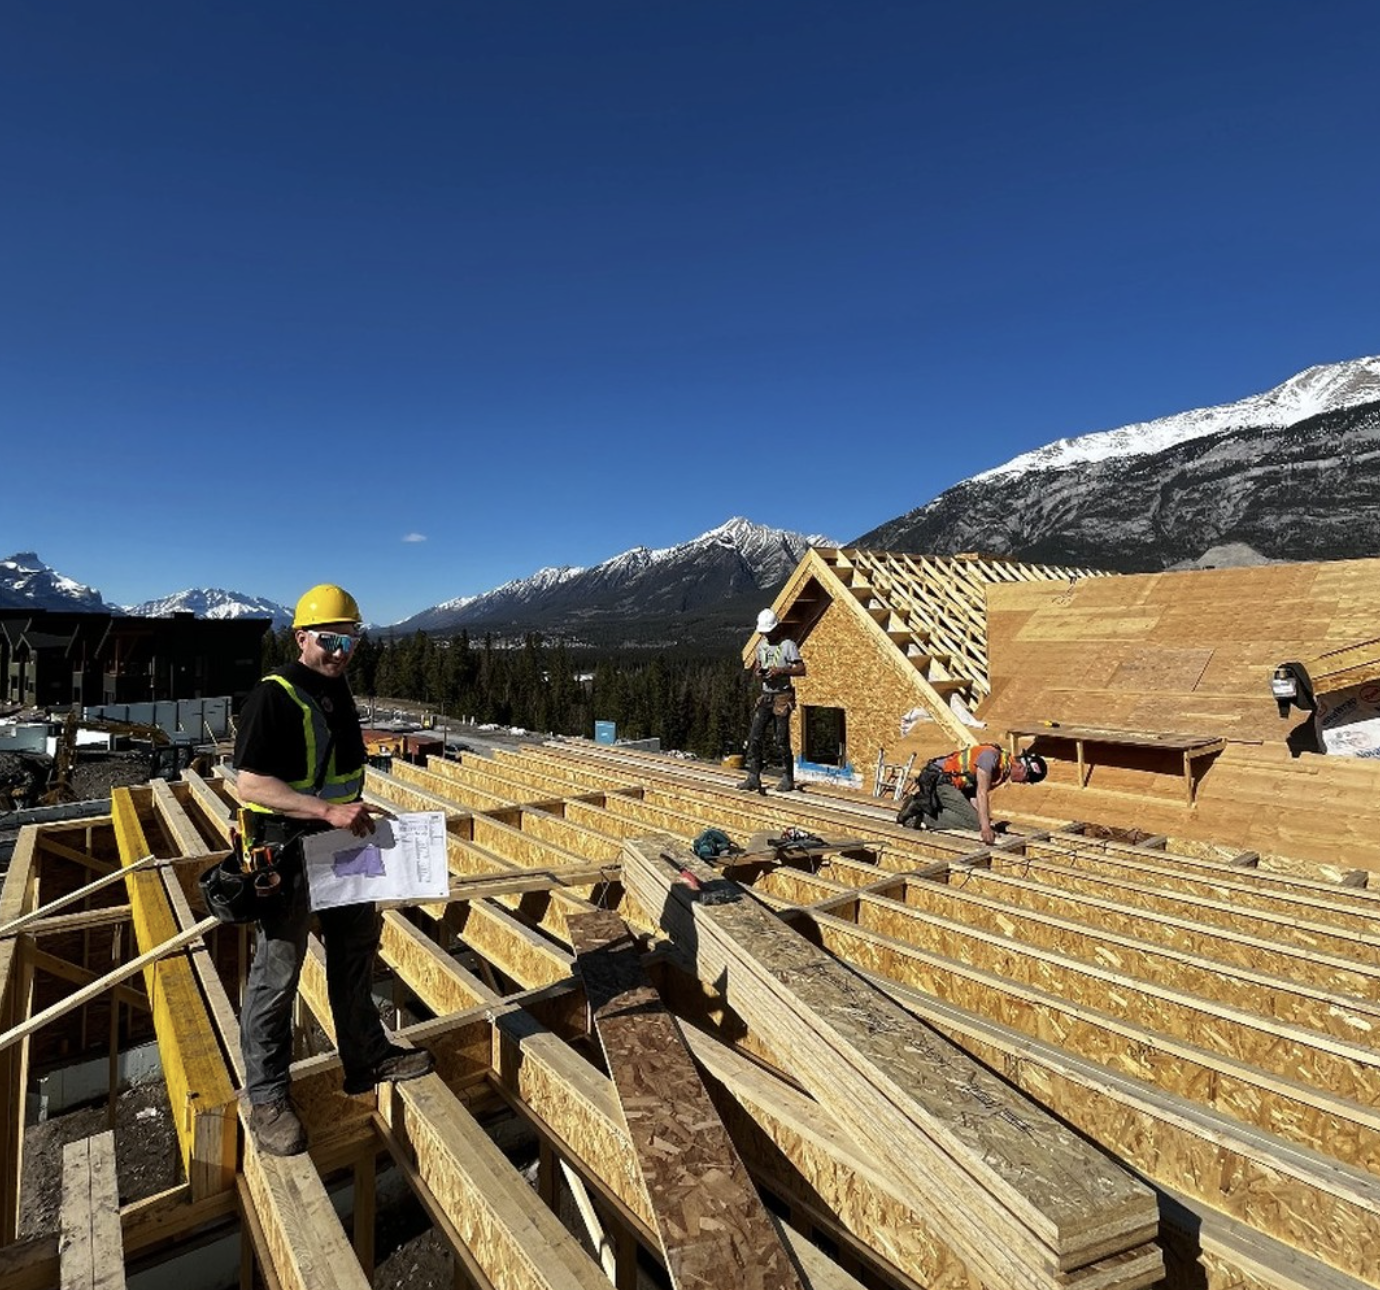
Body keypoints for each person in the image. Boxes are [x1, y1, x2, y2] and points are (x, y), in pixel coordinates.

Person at [234, 583, 433, 1156]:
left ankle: (366, 1057)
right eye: (329, 639)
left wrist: (352, 811)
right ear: (301, 637)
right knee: (278, 973)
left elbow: (335, 777)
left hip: (342, 848)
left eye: (350, 639)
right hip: (288, 852)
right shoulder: (274, 696)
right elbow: (249, 783)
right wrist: (326, 810)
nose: (341, 650)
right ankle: (267, 1096)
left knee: (354, 953)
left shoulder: (337, 688)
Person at [897, 743, 1047, 844]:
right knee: (976, 823)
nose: (1023, 783)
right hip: (941, 780)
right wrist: (985, 827)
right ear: (1021, 767)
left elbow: (974, 795)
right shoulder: (991, 758)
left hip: (951, 784)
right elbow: (982, 792)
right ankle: (921, 815)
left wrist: (985, 822)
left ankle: (925, 807)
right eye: (1026, 779)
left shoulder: (1002, 768)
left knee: (976, 820)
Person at [737, 608, 807, 792]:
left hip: (783, 695)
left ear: (776, 629)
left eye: (767, 632)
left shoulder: (787, 645)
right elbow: (758, 666)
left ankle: (787, 777)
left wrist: (782, 670)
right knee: (755, 736)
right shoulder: (761, 645)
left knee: (781, 739)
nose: (765, 635)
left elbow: (801, 669)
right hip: (766, 695)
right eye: (763, 633)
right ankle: (753, 777)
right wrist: (760, 672)